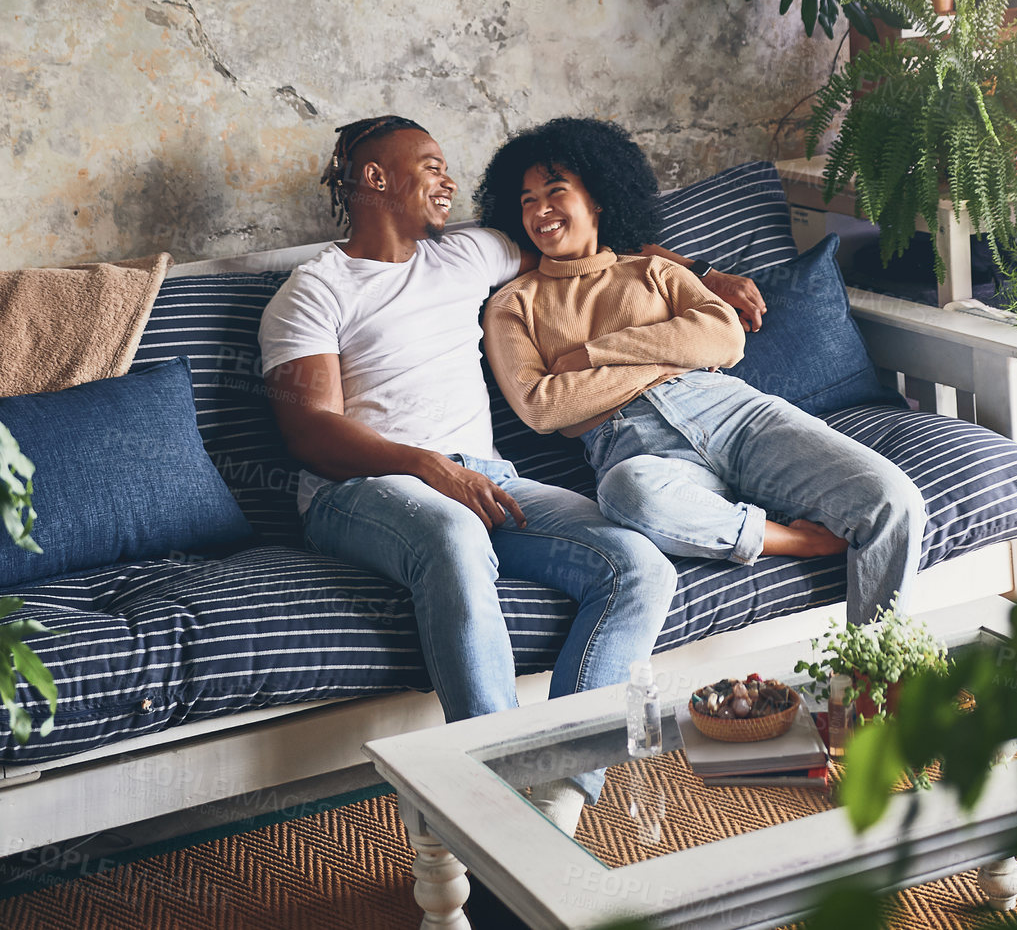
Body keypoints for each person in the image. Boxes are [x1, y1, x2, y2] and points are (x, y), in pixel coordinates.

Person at [258, 114, 754, 833]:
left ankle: (556, 793)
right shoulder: (316, 289)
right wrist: (421, 465)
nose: (448, 180)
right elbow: (310, 431)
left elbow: (589, 250)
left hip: (489, 477)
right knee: (453, 537)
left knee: (638, 566)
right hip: (362, 490)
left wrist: (701, 275)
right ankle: (490, 805)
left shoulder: (474, 254)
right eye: (428, 165)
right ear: (374, 178)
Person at [478, 117, 928, 625]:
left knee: (894, 501)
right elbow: (543, 406)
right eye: (526, 200)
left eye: (554, 191)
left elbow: (725, 338)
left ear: (597, 197)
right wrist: (673, 352)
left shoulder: (654, 270)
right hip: (636, 448)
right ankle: (794, 540)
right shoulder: (513, 305)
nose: (540, 210)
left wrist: (592, 355)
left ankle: (873, 683)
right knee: (627, 493)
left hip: (736, 414)